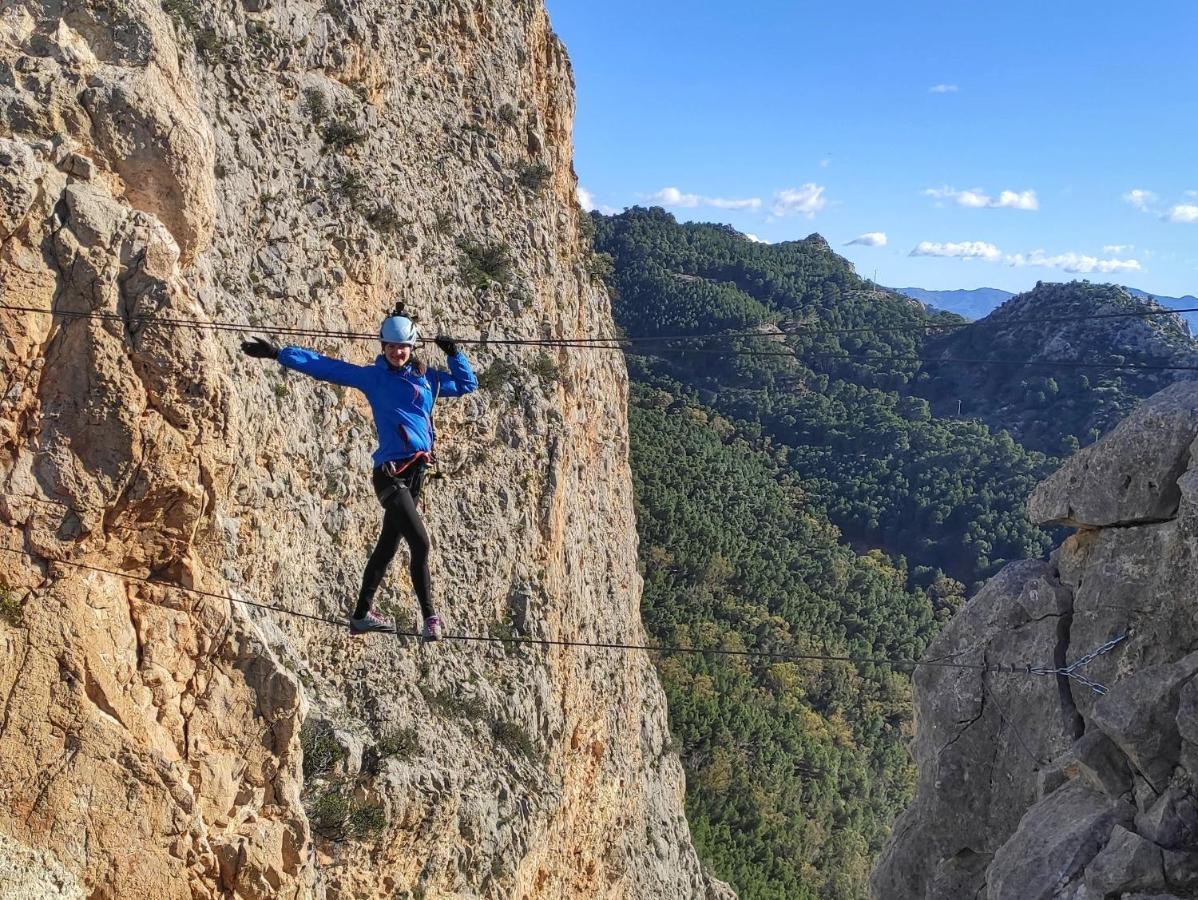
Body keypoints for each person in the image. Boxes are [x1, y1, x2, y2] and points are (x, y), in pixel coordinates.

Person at [240, 303, 478, 640]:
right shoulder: (373, 377)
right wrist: (279, 354)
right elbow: (328, 368)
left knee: (387, 547)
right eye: (392, 347)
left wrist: (454, 354)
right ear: (383, 347)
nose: (397, 352)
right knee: (420, 542)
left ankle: (361, 614)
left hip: (415, 476)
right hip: (391, 474)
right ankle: (430, 618)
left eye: (404, 347)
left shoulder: (428, 380)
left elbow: (468, 384)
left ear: (412, 348)